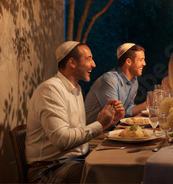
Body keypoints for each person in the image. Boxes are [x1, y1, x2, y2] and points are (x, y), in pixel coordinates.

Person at [25, 41, 125, 183]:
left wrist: (108, 121)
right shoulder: (50, 90)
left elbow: (77, 133)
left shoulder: (75, 89)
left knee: (116, 162)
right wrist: (100, 124)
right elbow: (62, 141)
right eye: (89, 59)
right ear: (72, 62)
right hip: (49, 169)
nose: (94, 64)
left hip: (76, 160)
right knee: (104, 176)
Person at [85, 43, 147, 124]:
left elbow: (127, 110)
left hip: (113, 128)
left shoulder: (134, 80)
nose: (144, 63)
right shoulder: (109, 80)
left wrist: (147, 104)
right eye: (141, 60)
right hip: (96, 133)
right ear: (128, 62)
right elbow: (114, 115)